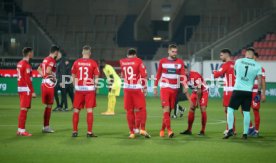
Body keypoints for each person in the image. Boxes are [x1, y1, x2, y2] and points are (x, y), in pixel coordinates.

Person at [224, 48, 262, 140]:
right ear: (253, 56)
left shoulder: (238, 61)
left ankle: (230, 130)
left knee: (230, 109)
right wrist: (259, 92)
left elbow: (235, 74)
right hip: (248, 92)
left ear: (246, 54)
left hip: (237, 90)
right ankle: (245, 134)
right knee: (246, 112)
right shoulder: (258, 65)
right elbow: (259, 80)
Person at [154, 44, 189, 138]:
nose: (174, 53)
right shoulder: (162, 61)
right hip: (165, 88)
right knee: (166, 108)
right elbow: (158, 75)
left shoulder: (180, 62)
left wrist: (185, 85)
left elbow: (182, 75)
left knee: (168, 112)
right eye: (173, 51)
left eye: (176, 52)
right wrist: (155, 87)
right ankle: (169, 130)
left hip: (174, 89)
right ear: (168, 51)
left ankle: (162, 129)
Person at [120, 48, 150, 139]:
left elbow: (122, 75)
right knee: (142, 108)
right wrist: (144, 87)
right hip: (136, 88)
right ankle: (143, 129)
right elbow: (144, 75)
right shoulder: (138, 61)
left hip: (127, 88)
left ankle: (132, 132)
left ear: (127, 55)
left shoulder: (122, 61)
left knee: (129, 110)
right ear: (135, 55)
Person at [71, 45, 99, 138]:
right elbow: (96, 77)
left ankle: (74, 132)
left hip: (79, 88)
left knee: (76, 110)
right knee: (89, 110)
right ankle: (89, 132)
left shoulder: (76, 62)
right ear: (90, 53)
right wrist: (95, 87)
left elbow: (73, 76)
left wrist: (75, 86)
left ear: (82, 53)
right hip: (89, 89)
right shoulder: (93, 63)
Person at [37, 45, 60, 133]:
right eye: (58, 52)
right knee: (49, 105)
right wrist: (54, 78)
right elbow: (48, 71)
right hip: (49, 84)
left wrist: (43, 76)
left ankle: (45, 126)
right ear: (56, 52)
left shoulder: (45, 59)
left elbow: (39, 68)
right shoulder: (52, 60)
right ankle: (46, 127)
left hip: (44, 83)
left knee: (47, 106)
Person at [213, 49, 236, 135]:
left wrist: (215, 72)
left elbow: (216, 75)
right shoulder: (235, 64)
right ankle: (235, 129)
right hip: (237, 89)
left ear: (227, 55)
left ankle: (229, 129)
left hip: (229, 91)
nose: (220, 57)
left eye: (221, 55)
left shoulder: (226, 64)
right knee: (238, 110)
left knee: (228, 110)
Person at [180, 66, 209, 136]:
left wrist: (197, 103)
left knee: (202, 108)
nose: (184, 73)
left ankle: (202, 130)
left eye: (185, 71)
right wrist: (191, 102)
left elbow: (199, 90)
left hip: (203, 91)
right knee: (191, 108)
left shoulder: (195, 76)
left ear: (187, 70)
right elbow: (185, 91)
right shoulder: (182, 78)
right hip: (195, 91)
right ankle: (189, 130)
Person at [16, 47, 36, 136]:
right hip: (26, 89)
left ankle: (19, 129)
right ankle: (22, 130)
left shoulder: (19, 63)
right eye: (32, 52)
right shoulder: (27, 65)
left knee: (23, 109)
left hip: (20, 88)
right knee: (24, 109)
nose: (33, 54)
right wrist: (32, 91)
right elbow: (28, 79)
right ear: (29, 54)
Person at [248, 52, 266, 137]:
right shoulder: (248, 67)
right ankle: (251, 127)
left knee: (255, 110)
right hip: (247, 91)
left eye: (253, 57)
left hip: (255, 92)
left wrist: (263, 93)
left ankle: (256, 130)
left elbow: (263, 81)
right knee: (243, 110)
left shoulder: (260, 68)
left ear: (256, 57)